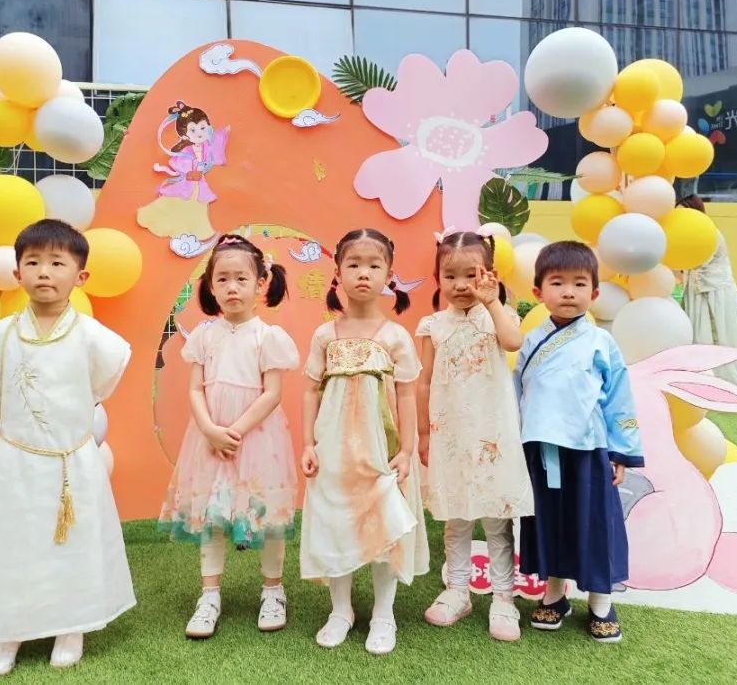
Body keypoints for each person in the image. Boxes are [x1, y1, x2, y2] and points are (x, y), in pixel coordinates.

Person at [0, 219, 134, 675]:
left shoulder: (96, 339)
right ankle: (8, 631)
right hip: (14, 462)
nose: (45, 271)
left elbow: (96, 391)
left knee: (72, 541)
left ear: (80, 276)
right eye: (33, 262)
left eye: (58, 263)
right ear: (17, 273)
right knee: (13, 541)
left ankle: (72, 625)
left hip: (70, 462)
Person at [158, 235, 298, 639]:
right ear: (210, 286)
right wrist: (209, 429)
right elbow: (194, 389)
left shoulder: (268, 336)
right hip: (209, 437)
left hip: (257, 439)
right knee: (212, 516)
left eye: (241, 278)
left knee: (266, 516)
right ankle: (209, 596)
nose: (232, 287)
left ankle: (273, 591)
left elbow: (272, 393)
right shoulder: (204, 336)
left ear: (261, 283)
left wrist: (234, 431)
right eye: (222, 279)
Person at [299, 228, 429, 655]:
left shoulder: (395, 336)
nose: (363, 273)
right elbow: (309, 391)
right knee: (336, 524)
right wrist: (308, 444)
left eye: (374, 265)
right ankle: (341, 611)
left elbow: (407, 395)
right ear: (337, 273)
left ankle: (383, 614)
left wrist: (406, 450)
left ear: (389, 276)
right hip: (333, 450)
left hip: (380, 452)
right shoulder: (325, 335)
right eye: (353, 264)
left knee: (383, 526)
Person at [514, 241, 643, 644]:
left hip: (588, 450)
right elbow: (518, 394)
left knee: (594, 524)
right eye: (557, 283)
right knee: (549, 521)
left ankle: (601, 601)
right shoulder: (530, 341)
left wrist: (621, 451)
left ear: (595, 292)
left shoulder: (602, 342)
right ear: (538, 292)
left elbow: (619, 397)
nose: (568, 292)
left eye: (579, 283)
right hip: (541, 450)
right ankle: (555, 594)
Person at [416, 230, 534, 642]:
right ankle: (457, 590)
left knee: (497, 518)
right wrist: (423, 433)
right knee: (457, 516)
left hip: (493, 434)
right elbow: (423, 382)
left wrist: (493, 301)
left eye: (472, 275)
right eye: (450, 276)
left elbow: (513, 341)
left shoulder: (498, 316)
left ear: (490, 274)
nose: (461, 285)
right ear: (438, 278)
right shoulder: (433, 325)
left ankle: (503, 597)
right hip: (450, 435)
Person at [676, 194, 737, 387]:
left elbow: (696, 261)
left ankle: (728, 385)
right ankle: (701, 384)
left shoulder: (710, 234)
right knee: (697, 339)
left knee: (721, 338)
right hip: (695, 293)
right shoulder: (684, 237)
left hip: (717, 293)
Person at [137, 102, 228, 240]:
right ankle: (167, 224)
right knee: (176, 202)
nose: (199, 133)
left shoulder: (207, 148)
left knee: (198, 205)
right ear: (185, 136)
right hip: (187, 182)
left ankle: (197, 231)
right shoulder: (186, 151)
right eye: (193, 130)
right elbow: (178, 163)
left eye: (202, 127)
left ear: (208, 127)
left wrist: (224, 132)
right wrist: (191, 169)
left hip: (199, 183)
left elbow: (216, 146)